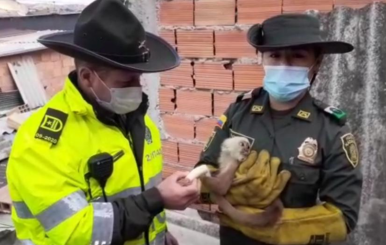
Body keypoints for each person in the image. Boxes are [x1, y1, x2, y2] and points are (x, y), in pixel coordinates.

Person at [6, 1, 200, 245]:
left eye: (139, 79)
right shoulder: (41, 143)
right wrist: (157, 199)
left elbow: (135, 193)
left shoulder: (137, 122)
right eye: (126, 81)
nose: (137, 89)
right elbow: (77, 231)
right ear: (88, 77)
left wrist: (159, 236)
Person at [196, 13, 363, 245]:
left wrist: (273, 225)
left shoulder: (331, 130)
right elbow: (202, 174)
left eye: (297, 56)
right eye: (274, 55)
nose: (284, 65)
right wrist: (220, 188)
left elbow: (343, 216)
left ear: (317, 63)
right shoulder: (237, 113)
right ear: (261, 58)